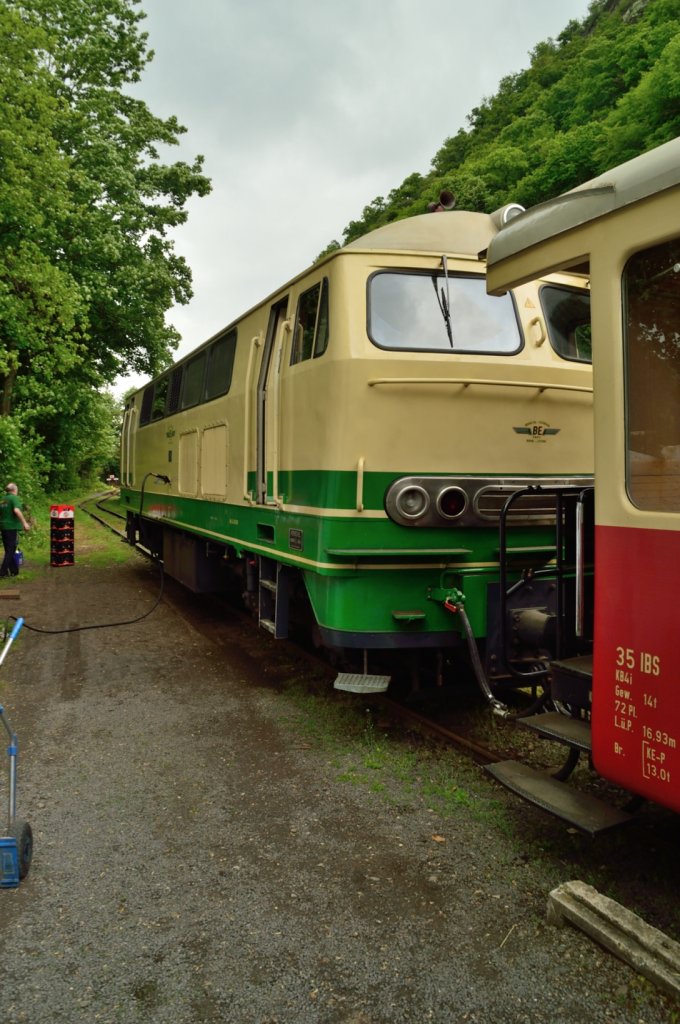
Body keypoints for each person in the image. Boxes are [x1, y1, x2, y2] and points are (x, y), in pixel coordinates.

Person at [0, 483, 30, 578]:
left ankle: (14, 571)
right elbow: (17, 510)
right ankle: (2, 572)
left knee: (9, 550)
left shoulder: (3, 499)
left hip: (4, 527)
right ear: (14, 490)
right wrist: (24, 523)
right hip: (11, 527)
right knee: (11, 550)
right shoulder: (14, 498)